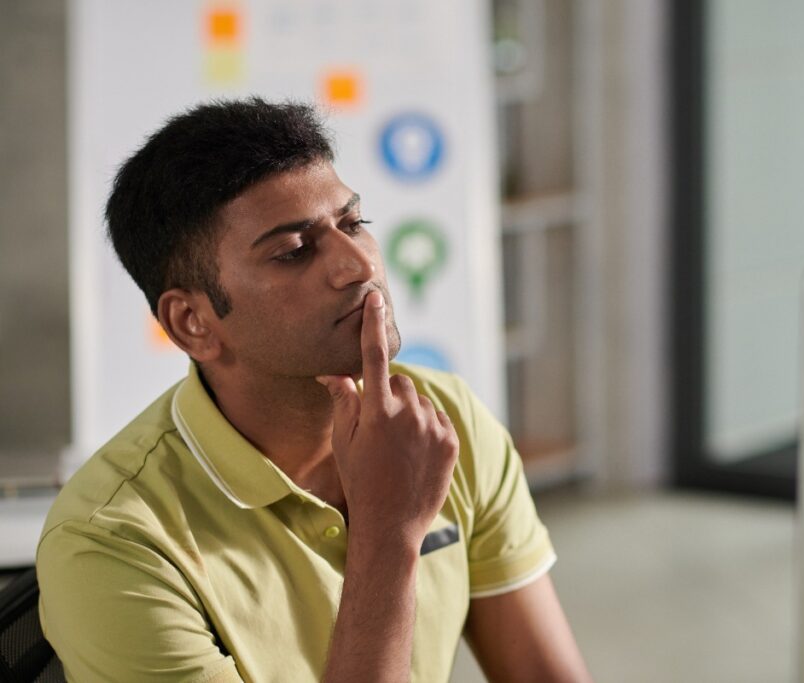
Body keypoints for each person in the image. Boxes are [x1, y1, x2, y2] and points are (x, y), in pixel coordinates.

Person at [36, 98, 591, 682]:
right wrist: (388, 532)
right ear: (192, 323)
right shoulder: (111, 544)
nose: (358, 266)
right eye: (294, 252)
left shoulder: (439, 418)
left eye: (354, 224)